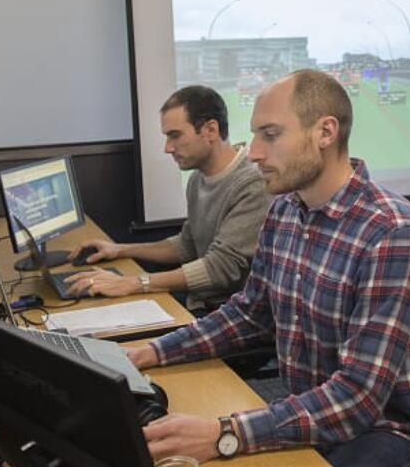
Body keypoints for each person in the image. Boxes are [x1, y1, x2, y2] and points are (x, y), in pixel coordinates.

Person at [127, 69, 410, 467]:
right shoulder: (284, 210)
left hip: (385, 432)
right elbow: (249, 313)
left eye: (270, 135)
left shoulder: (391, 232)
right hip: (312, 411)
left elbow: (358, 397)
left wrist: (226, 432)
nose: (254, 152)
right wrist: (150, 352)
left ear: (325, 133)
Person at [67, 86, 271, 312]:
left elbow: (220, 268)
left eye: (175, 135)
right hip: (200, 302)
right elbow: (187, 244)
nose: (167, 148)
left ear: (210, 130)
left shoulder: (253, 185)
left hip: (227, 314)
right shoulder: (197, 179)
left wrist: (135, 283)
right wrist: (119, 249)